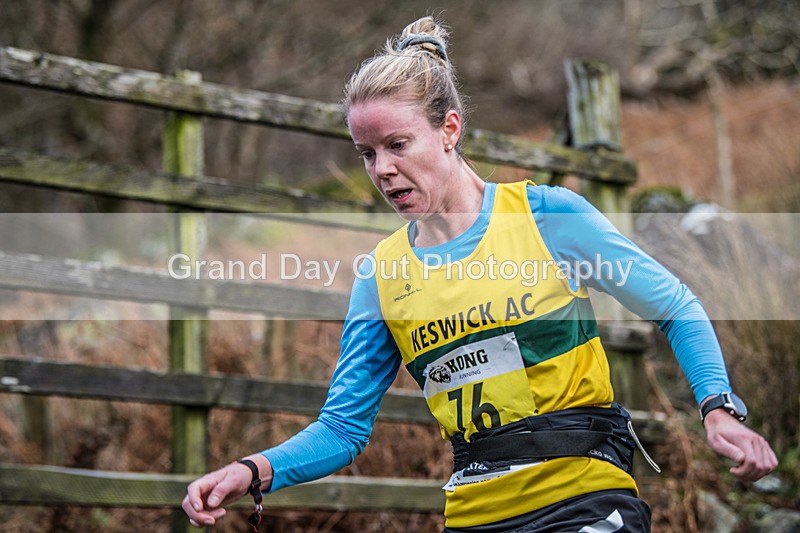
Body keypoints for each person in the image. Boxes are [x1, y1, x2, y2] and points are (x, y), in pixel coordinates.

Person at [182, 16, 777, 532]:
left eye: (397, 144)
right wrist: (251, 471)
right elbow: (342, 429)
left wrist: (717, 408)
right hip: (475, 513)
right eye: (367, 154)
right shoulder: (383, 276)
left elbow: (674, 305)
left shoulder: (547, 217)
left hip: (584, 496)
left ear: (450, 130)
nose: (383, 170)